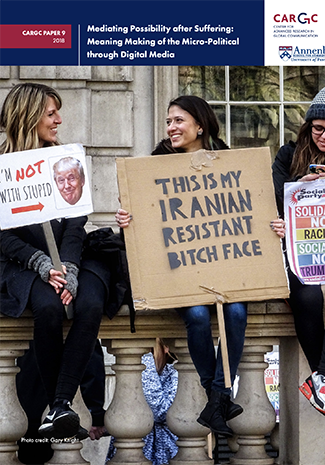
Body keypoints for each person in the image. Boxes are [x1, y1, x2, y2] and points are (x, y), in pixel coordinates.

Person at [116, 95, 281, 437]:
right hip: (182, 273)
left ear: (200, 125)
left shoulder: (231, 163)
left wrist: (275, 225)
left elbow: (254, 211)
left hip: (227, 269)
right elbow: (148, 223)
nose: (171, 128)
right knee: (196, 316)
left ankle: (218, 394)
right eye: (168, 122)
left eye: (178, 120)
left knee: (235, 314)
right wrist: (127, 218)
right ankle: (217, 394)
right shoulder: (156, 165)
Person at [0, 83, 128, 441]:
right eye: (51, 112)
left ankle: (59, 404)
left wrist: (68, 267)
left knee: (89, 303)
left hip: (73, 257)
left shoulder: (66, 158)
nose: (59, 120)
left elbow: (75, 223)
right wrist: (42, 264)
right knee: (49, 309)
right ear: (28, 115)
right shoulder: (1, 166)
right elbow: (3, 235)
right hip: (21, 263)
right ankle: (58, 405)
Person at [271, 86, 325, 419]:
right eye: (318, 128)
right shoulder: (287, 154)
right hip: (301, 249)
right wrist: (298, 188)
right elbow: (273, 197)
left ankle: (321, 377)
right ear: (308, 126)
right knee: (305, 298)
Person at [106, 338, 178, 465]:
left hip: (166, 454)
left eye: (149, 350)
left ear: (166, 347)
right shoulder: (130, 373)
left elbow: (159, 411)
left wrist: (142, 358)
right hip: (132, 453)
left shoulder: (174, 373)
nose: (146, 355)